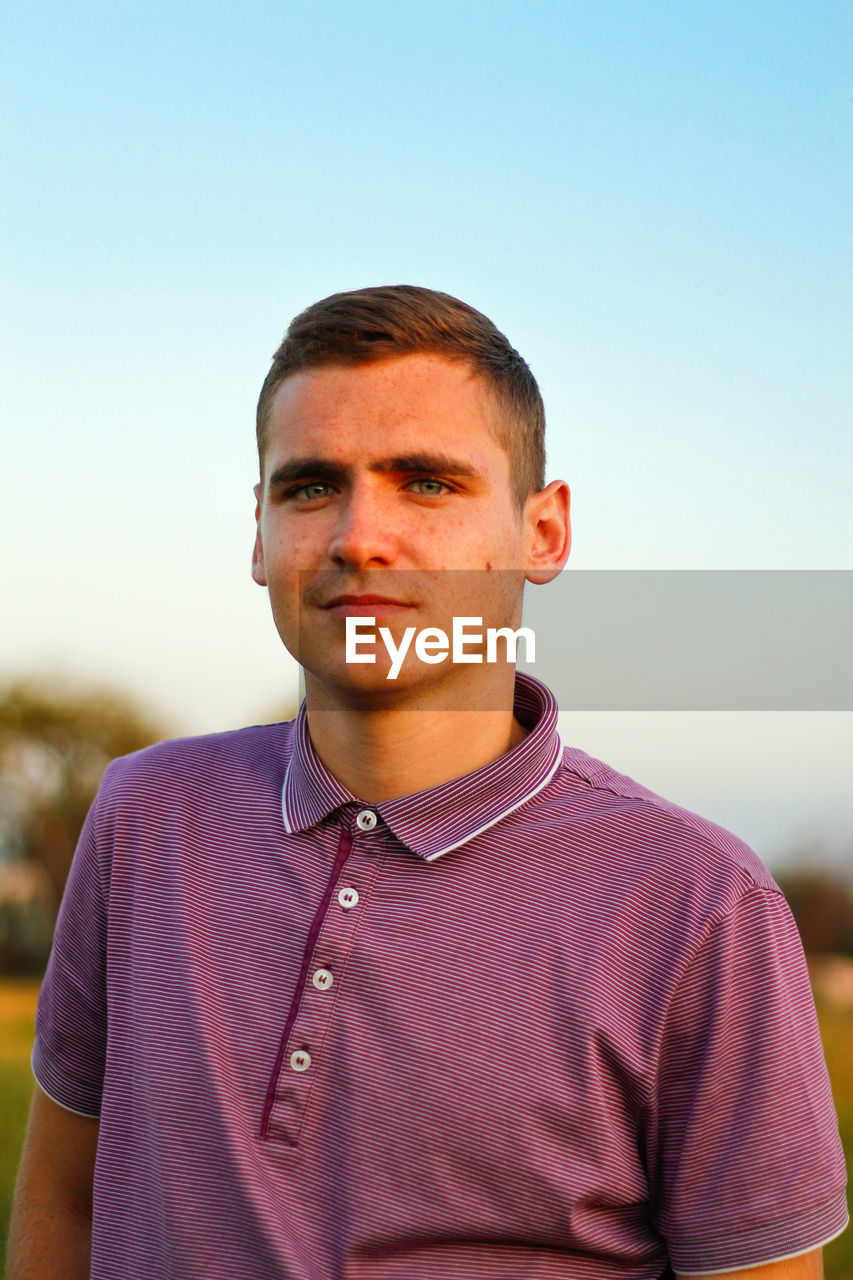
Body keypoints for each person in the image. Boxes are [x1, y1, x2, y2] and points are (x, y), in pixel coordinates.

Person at [7, 286, 848, 1279]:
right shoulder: (144, 811)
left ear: (542, 533)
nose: (360, 534)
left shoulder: (699, 900)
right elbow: (65, 1201)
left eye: (427, 482)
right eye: (310, 485)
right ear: (259, 534)